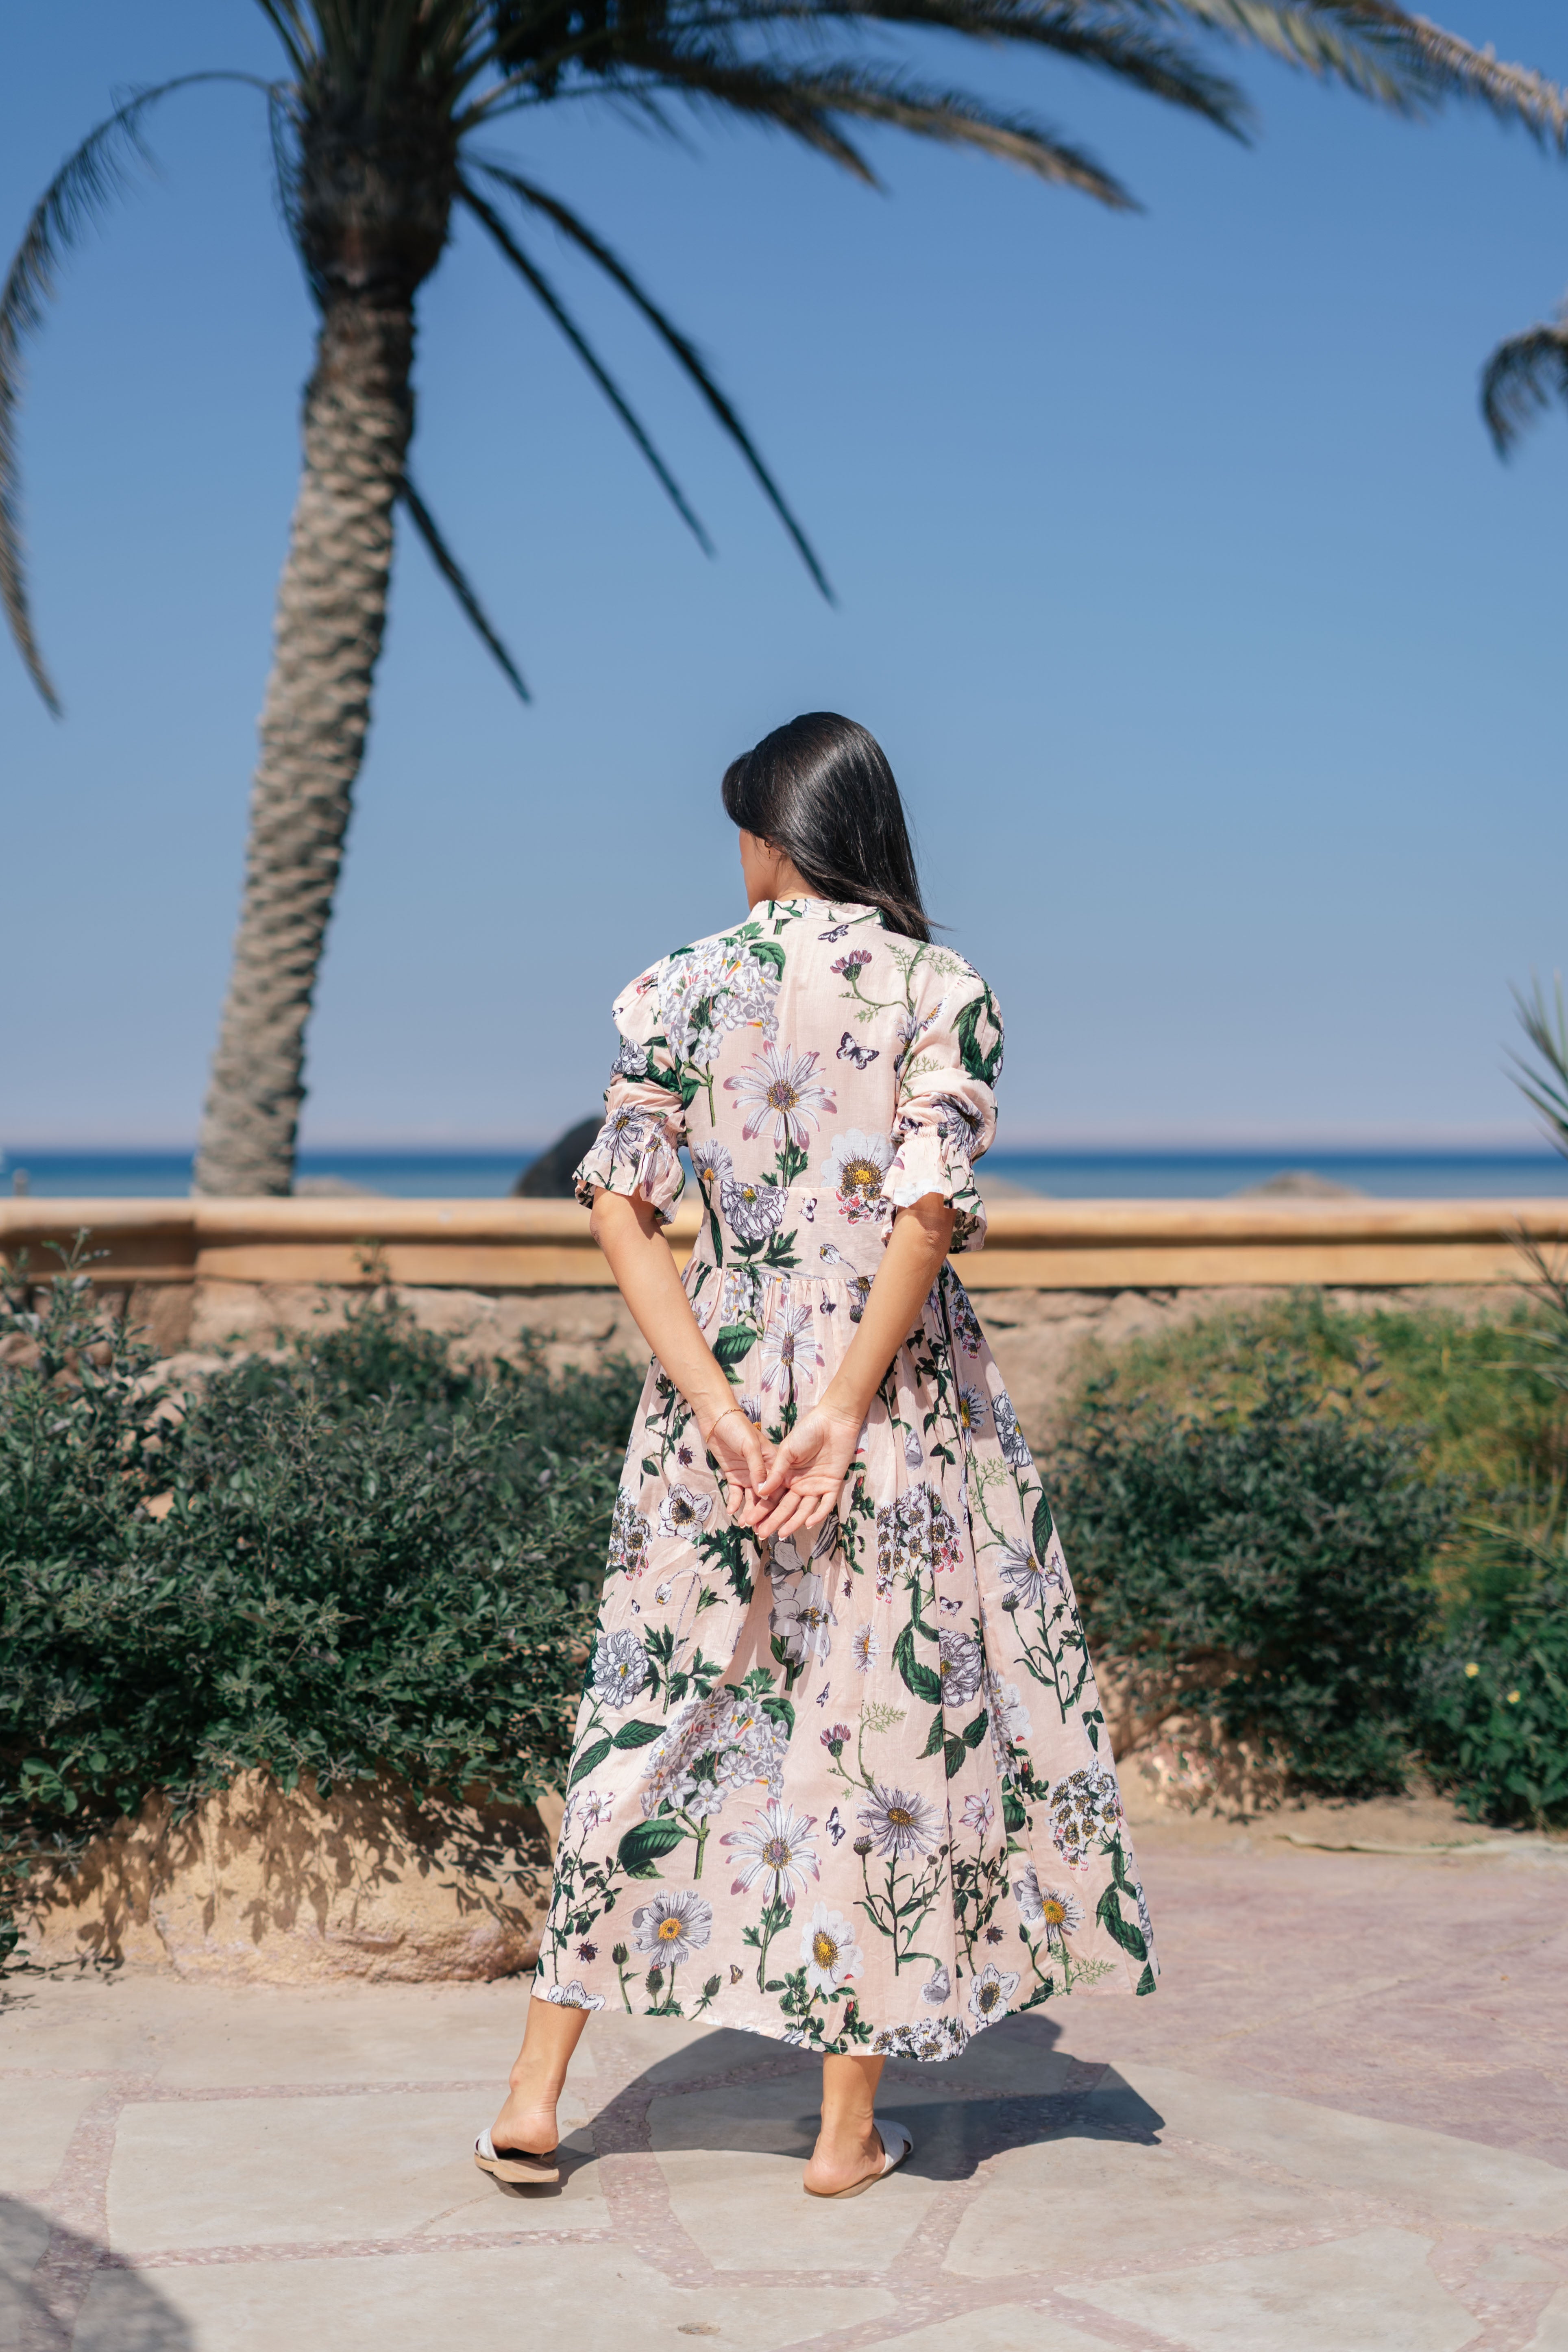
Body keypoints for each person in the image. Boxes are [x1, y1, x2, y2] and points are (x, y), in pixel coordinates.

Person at [477, 712, 1155, 2201]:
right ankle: (844, 2137)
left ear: (774, 838)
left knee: (649, 1712)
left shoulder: (676, 985)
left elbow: (619, 1208)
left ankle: (534, 2097)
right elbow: (925, 1206)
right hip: (891, 1402)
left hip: (708, 1401)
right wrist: (844, 1406)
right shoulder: (941, 987)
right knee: (874, 1739)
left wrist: (718, 1401)